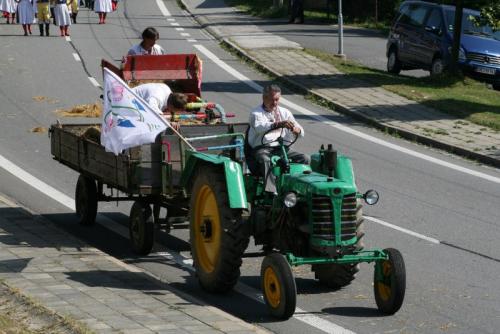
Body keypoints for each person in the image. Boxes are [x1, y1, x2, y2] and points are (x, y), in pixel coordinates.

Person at [247, 84, 309, 194]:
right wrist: (278, 124)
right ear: (264, 98)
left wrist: (296, 130)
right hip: (263, 148)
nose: (275, 103)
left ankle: (299, 189)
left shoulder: (285, 112)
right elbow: (259, 127)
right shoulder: (256, 113)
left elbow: (301, 132)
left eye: (277, 99)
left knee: (304, 158)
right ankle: (271, 191)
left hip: (282, 148)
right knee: (266, 160)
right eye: (272, 100)